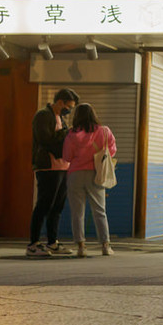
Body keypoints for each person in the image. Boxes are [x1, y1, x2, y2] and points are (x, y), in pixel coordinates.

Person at [27, 87, 79, 257]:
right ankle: (33, 244)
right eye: (68, 106)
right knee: (43, 205)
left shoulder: (60, 118)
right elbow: (45, 139)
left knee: (57, 207)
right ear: (60, 102)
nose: (69, 110)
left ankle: (52, 242)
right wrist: (66, 132)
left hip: (62, 166)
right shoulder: (43, 115)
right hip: (48, 167)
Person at [62, 103, 117, 257]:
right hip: (96, 174)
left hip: (75, 175)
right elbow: (111, 150)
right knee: (100, 211)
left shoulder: (71, 135)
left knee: (77, 213)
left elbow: (66, 157)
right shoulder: (104, 131)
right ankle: (105, 246)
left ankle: (81, 247)